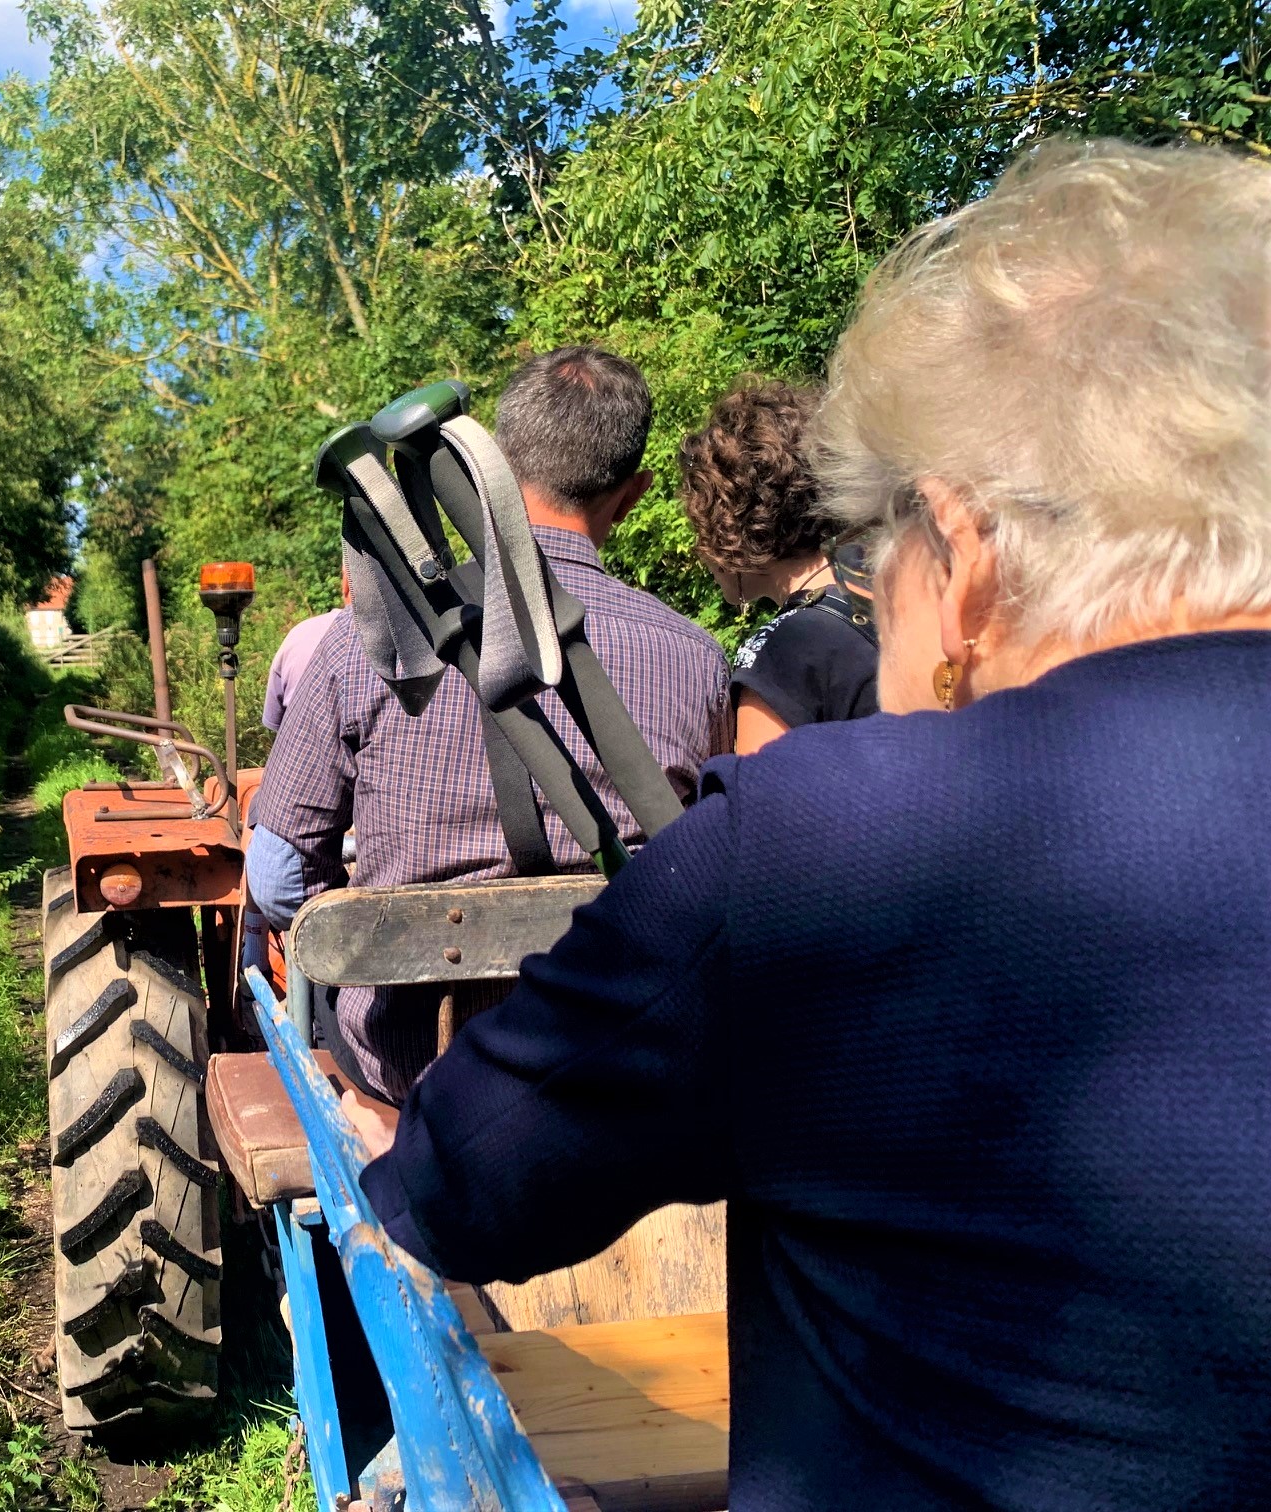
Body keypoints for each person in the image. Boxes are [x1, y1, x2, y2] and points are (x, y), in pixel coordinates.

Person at [359, 139, 1271, 1508]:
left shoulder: (824, 853)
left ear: (960, 554)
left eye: (873, 551)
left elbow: (457, 1191)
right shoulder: (704, 687)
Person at [248, 346, 731, 1103]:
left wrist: (363, 916)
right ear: (632, 496)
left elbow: (276, 881)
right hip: (624, 1062)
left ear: (491, 465)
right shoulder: (697, 658)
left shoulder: (368, 643)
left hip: (413, 1072)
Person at [679, 380, 879, 753]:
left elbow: (760, 805)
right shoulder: (897, 594)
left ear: (729, 525)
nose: (698, 547)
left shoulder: (781, 652)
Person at [261, 577, 348, 733]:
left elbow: (274, 719)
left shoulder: (301, 634)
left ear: (346, 583)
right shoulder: (402, 643)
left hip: (302, 753)